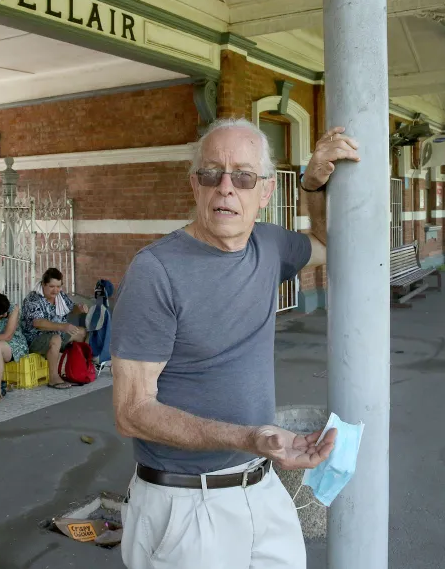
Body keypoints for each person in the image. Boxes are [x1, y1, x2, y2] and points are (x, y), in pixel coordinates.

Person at [110, 118, 357, 568]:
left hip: (262, 487)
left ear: (265, 192)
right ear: (195, 184)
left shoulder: (270, 244)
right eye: (211, 173)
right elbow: (131, 413)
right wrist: (250, 437)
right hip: (186, 504)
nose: (226, 187)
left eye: (243, 176)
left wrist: (313, 184)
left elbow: (324, 242)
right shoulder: (155, 272)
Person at [20, 267, 88, 389]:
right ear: (43, 284)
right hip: (34, 339)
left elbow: (70, 308)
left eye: (58, 286)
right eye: (52, 286)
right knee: (55, 338)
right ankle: (53, 377)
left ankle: (77, 370)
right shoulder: (33, 299)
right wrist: (63, 326)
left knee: (81, 332)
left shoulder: (60, 296)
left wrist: (80, 308)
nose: (56, 290)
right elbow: (38, 323)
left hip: (58, 333)